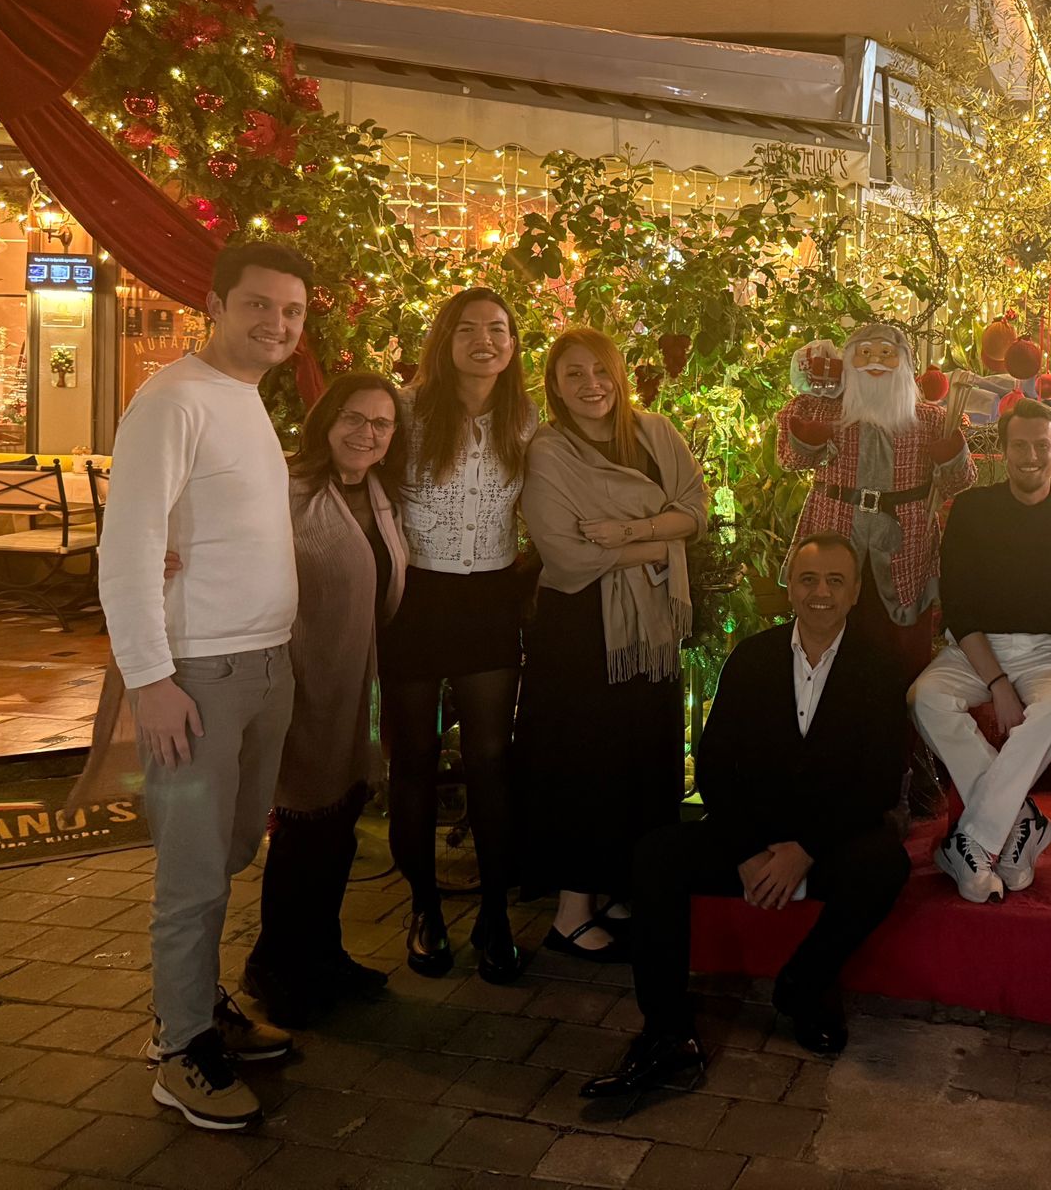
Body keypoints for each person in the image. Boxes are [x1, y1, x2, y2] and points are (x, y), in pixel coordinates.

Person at [99, 242, 311, 1131]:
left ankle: (197, 1002)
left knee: (226, 853)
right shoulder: (172, 399)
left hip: (263, 663)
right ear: (216, 304)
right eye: (259, 304)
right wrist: (150, 678)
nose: (277, 324)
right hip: (197, 673)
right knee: (193, 872)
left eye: (292, 312)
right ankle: (180, 1047)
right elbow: (128, 546)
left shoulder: (243, 397)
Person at [581, 535, 912, 1105]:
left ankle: (803, 987)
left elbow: (878, 782)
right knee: (657, 855)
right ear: (790, 587)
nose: (821, 592)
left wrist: (804, 849)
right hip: (751, 837)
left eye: (835, 581)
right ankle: (666, 1033)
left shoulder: (882, 669)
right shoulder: (753, 657)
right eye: (808, 579)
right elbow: (714, 762)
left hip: (827, 843)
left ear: (856, 591)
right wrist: (747, 849)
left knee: (886, 864)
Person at [518, 326, 707, 960]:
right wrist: (660, 543)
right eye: (573, 373)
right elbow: (566, 555)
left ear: (619, 375)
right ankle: (571, 914)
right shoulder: (549, 452)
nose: (590, 384)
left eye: (600, 370)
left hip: (650, 630)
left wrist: (630, 532)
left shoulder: (656, 433)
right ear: (554, 385)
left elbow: (695, 512)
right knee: (586, 764)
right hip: (579, 630)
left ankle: (623, 887)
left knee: (644, 757)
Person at [241, 371, 410, 1028]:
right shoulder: (286, 488)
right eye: (354, 418)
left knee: (339, 825)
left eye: (382, 423)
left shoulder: (381, 495)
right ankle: (275, 967)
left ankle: (323, 953)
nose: (367, 433)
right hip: (303, 679)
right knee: (303, 827)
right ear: (327, 421)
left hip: (356, 684)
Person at [380, 287, 536, 985]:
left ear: (513, 343)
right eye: (468, 328)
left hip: (490, 600)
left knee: (490, 759)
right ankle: (425, 908)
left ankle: (495, 915)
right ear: (444, 340)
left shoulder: (525, 418)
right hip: (415, 599)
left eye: (498, 329)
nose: (484, 340)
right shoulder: (406, 411)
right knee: (413, 758)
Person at [910, 399, 1051, 901]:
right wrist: (998, 683)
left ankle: (975, 840)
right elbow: (959, 607)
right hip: (975, 648)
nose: (1031, 456)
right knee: (925, 698)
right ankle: (1022, 822)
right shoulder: (972, 510)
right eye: (1020, 445)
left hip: (1050, 651)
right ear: (1003, 450)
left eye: (1042, 446)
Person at [776, 321, 974, 684]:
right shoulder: (823, 410)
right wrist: (807, 438)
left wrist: (953, 457)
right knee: (827, 631)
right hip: (834, 530)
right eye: (865, 354)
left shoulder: (931, 420)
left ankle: (899, 711)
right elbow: (789, 461)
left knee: (899, 646)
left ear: (905, 363)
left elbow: (960, 483)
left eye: (886, 354)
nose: (875, 362)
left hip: (905, 545)